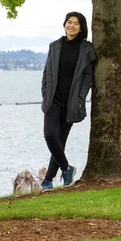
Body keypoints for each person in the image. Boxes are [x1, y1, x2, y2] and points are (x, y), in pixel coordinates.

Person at [40, 11, 97, 191]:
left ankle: (48, 181)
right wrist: (45, 92)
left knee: (60, 140)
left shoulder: (87, 49)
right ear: (64, 24)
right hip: (53, 100)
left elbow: (88, 77)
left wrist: (81, 98)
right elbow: (46, 72)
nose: (71, 26)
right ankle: (67, 168)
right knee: (50, 135)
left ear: (81, 29)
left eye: (76, 23)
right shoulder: (55, 46)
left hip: (72, 101)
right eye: (69, 22)